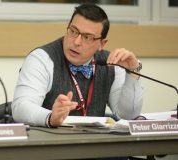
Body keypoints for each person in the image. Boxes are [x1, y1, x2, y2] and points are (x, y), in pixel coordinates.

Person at [12, 3, 143, 128]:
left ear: (102, 44)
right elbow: (21, 107)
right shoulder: (42, 58)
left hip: (95, 147)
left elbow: (127, 116)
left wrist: (133, 71)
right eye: (73, 31)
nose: (76, 42)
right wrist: (51, 117)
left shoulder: (111, 64)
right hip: (49, 146)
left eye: (87, 37)